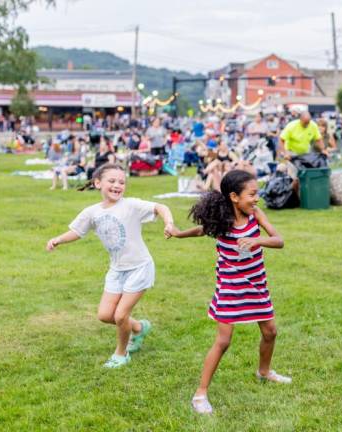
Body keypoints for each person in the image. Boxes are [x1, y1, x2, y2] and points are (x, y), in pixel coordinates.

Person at [167, 170, 290, 415]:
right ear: (234, 196)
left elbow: (279, 240)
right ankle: (200, 394)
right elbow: (200, 231)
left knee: (270, 331)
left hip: (256, 285)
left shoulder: (256, 215)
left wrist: (258, 241)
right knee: (223, 341)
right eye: (251, 194)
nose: (256, 198)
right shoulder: (222, 221)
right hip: (230, 286)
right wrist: (178, 233)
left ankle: (264, 372)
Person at [45, 164, 175, 368]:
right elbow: (78, 231)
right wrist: (58, 239)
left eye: (121, 182)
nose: (117, 185)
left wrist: (168, 222)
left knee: (120, 315)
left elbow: (160, 207)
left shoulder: (130, 205)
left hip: (139, 267)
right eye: (112, 181)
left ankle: (121, 354)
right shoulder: (92, 212)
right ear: (98, 183)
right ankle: (139, 328)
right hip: (116, 269)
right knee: (105, 315)